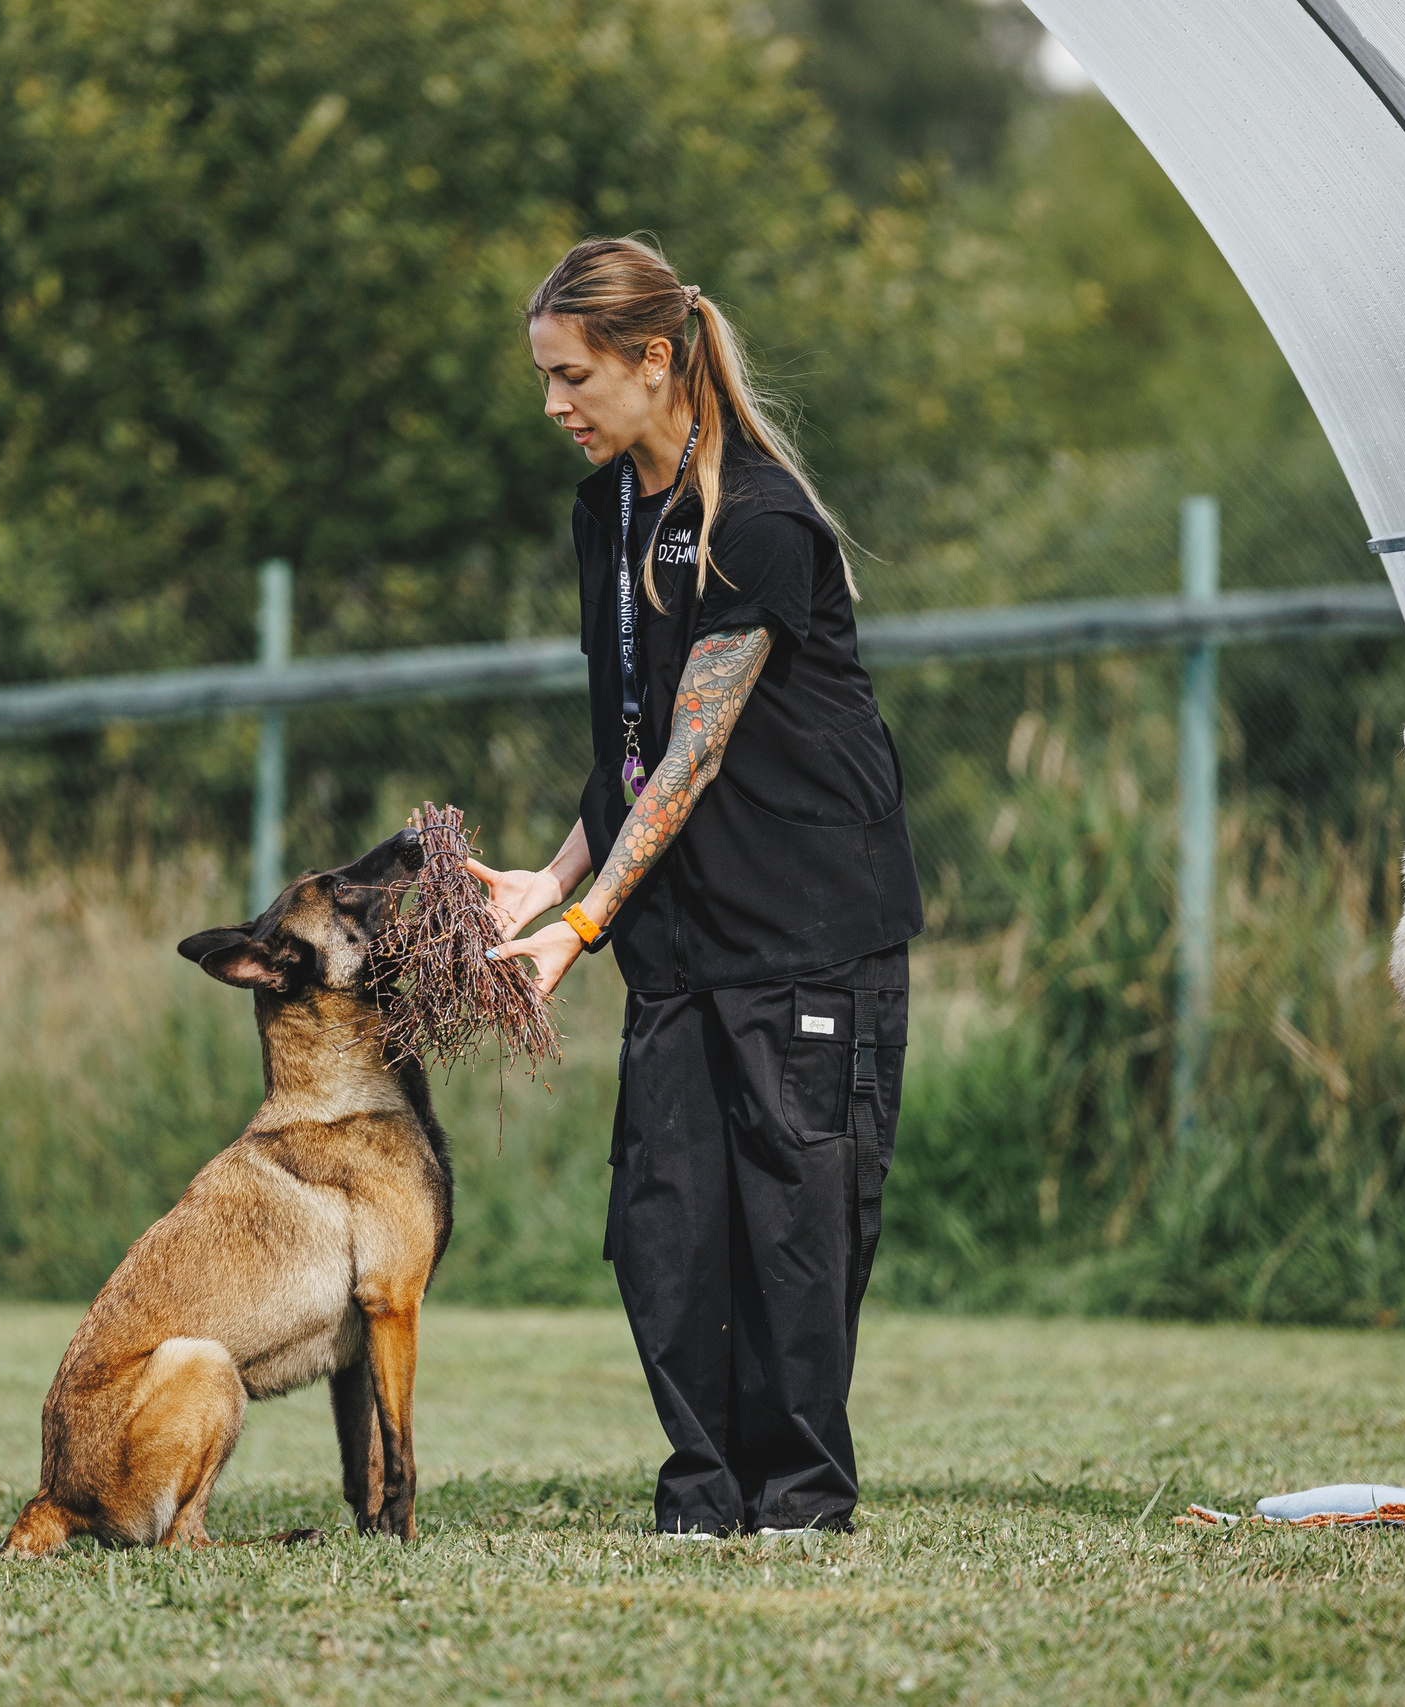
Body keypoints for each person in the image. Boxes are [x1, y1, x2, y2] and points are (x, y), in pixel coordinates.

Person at [477, 238, 924, 1538]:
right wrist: (551, 880)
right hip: (680, 936)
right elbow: (627, 740)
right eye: (546, 378)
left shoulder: (764, 520)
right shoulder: (604, 509)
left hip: (807, 927)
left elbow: (696, 749)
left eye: (571, 377)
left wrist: (580, 922)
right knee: (666, 1222)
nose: (552, 405)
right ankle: (705, 1491)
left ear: (653, 359)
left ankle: (797, 1500)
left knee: (794, 1226)